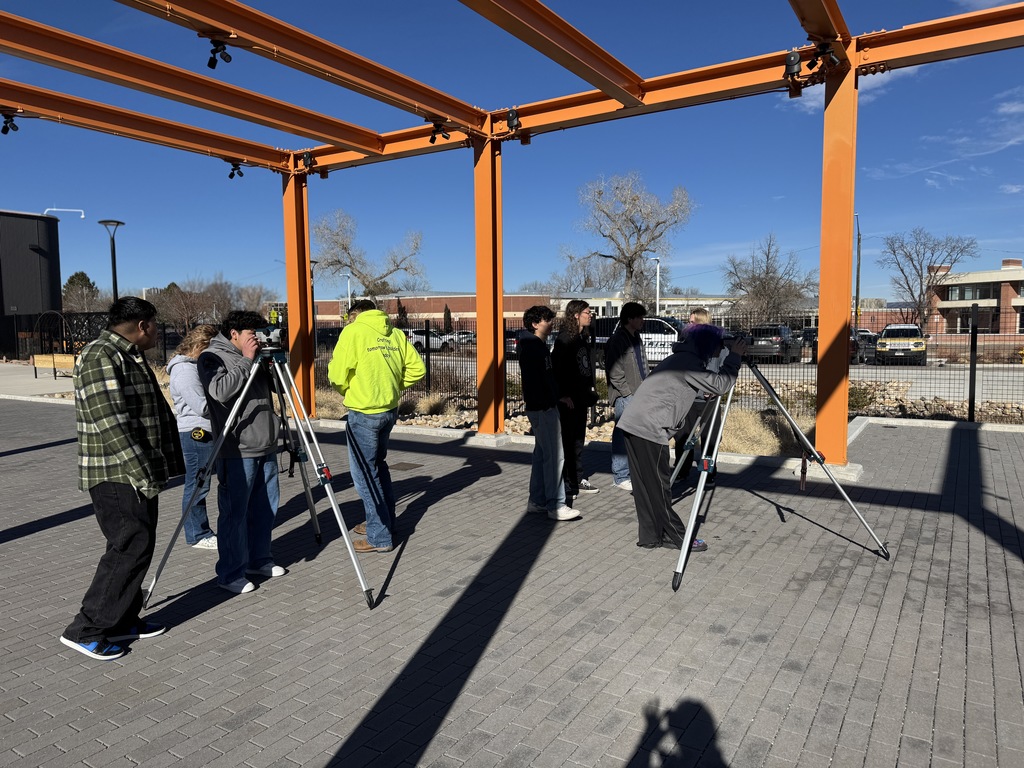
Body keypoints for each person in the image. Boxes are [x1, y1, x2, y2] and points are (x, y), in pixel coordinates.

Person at [60, 297, 185, 661]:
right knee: (127, 547)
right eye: (156, 326)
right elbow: (111, 424)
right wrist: (143, 474)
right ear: (143, 325)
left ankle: (124, 618)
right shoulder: (101, 356)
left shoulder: (129, 354)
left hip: (134, 471)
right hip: (117, 474)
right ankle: (86, 628)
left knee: (139, 545)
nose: (157, 332)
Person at [618, 324, 747, 552]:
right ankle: (679, 537)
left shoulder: (679, 359)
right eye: (720, 344)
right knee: (659, 488)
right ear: (707, 345)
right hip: (650, 428)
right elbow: (722, 384)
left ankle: (650, 537)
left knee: (645, 487)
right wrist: (735, 356)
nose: (723, 348)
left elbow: (679, 387)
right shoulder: (688, 362)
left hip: (633, 424)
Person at [328, 300, 425, 552]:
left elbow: (337, 374)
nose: (348, 323)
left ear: (357, 314)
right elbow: (417, 369)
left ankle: (379, 535)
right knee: (378, 468)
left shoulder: (354, 331)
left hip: (364, 412)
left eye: (350, 318)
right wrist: (392, 387)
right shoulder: (395, 333)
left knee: (364, 475)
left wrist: (349, 389)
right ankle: (384, 522)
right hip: (388, 411)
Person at [199, 311, 282, 594]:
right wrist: (248, 360)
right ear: (233, 333)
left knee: (266, 509)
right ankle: (231, 572)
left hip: (266, 442)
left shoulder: (258, 355)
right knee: (234, 514)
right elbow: (219, 391)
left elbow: (282, 389)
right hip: (237, 448)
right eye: (251, 333)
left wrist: (272, 362)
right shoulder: (212, 357)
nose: (257, 338)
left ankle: (260, 559)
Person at [518, 306, 580, 522]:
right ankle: (556, 505)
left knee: (543, 455)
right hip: (543, 409)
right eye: (547, 320)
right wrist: (548, 402)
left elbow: (545, 379)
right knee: (555, 456)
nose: (551, 323)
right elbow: (536, 382)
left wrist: (556, 397)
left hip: (542, 406)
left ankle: (537, 501)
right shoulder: (533, 347)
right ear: (535, 324)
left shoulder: (535, 346)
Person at [167, 324, 219, 550]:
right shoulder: (184, 371)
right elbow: (201, 406)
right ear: (200, 347)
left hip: (204, 430)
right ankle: (197, 534)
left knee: (200, 483)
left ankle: (199, 530)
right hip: (197, 432)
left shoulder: (192, 367)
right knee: (198, 484)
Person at [552, 299, 600, 503]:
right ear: (575, 315)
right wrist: (563, 395)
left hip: (580, 399)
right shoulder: (565, 339)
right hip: (569, 401)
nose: (590, 315)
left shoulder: (583, 338)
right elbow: (556, 370)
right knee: (569, 442)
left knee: (579, 441)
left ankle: (577, 479)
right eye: (587, 312)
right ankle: (568, 481)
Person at [605, 302, 648, 492]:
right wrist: (627, 393)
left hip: (640, 394)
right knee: (622, 436)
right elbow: (614, 371)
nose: (642, 321)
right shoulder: (618, 340)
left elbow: (641, 366)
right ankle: (620, 476)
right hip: (626, 397)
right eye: (639, 317)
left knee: (635, 435)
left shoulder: (636, 338)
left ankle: (633, 473)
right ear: (630, 319)